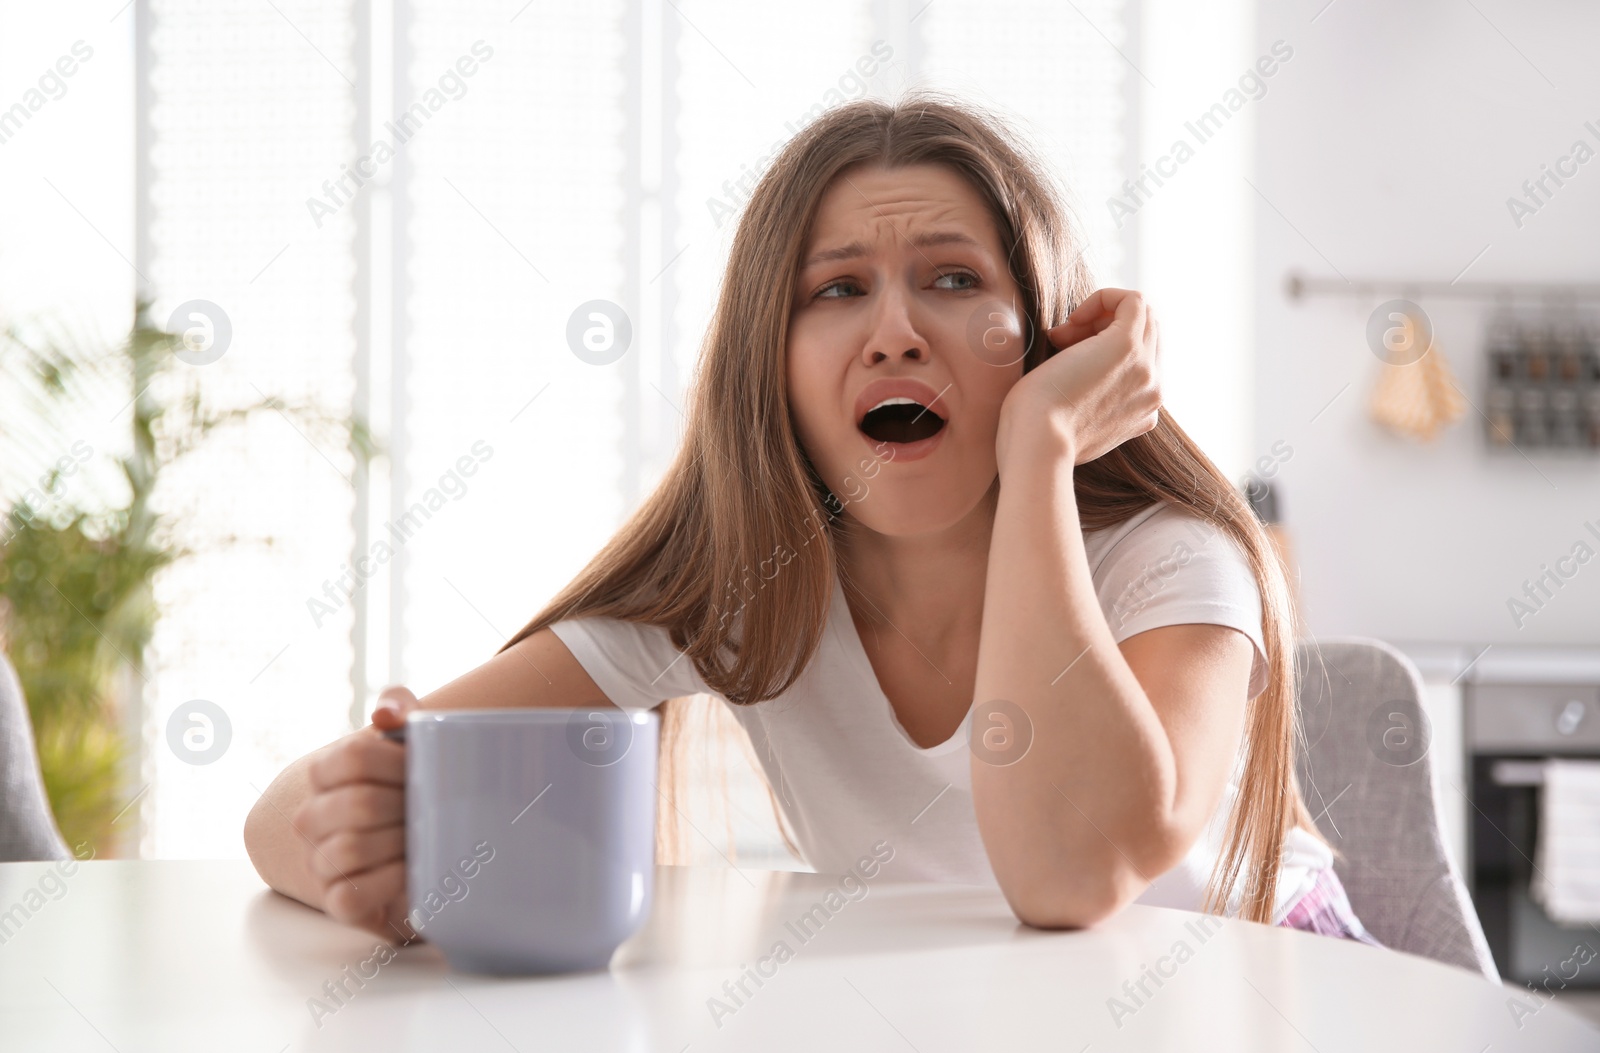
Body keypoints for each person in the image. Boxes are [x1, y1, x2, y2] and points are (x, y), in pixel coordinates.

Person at [243, 90, 1381, 950]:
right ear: (770, 367)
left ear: (1043, 342)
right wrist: (367, 853)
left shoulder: (1170, 559)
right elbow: (283, 812)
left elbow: (1069, 879)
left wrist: (1040, 449)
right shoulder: (748, 591)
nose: (894, 330)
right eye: (836, 290)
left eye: (951, 279)